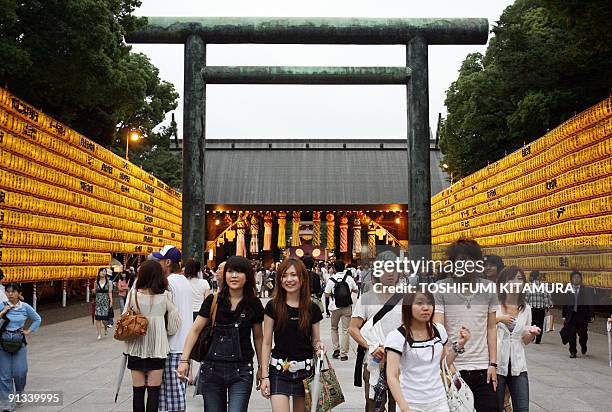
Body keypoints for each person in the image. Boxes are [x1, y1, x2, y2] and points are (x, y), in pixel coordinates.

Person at [177, 255, 264, 411]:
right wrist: (184, 360)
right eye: (230, 271)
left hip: (242, 370)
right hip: (212, 370)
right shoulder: (213, 300)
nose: (234, 276)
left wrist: (262, 369)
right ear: (225, 275)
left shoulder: (253, 303)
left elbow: (258, 338)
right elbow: (195, 330)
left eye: (239, 272)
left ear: (248, 276)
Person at [433, 238, 499, 412]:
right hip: (454, 368)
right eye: (460, 260)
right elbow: (438, 329)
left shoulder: (489, 288)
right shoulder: (440, 288)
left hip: (483, 368)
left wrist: (493, 364)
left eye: (470, 260)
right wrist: (448, 363)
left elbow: (491, 328)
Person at [386, 291, 471, 412]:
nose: (426, 308)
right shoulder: (396, 336)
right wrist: (404, 408)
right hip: (411, 403)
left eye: (429, 303)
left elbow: (444, 364)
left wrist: (460, 345)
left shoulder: (439, 330)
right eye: (419, 303)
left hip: (439, 401)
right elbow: (392, 376)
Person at [260, 258, 324, 412]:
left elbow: (315, 340)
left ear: (302, 278)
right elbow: (267, 342)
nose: (289, 279)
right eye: (284, 275)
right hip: (279, 370)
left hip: (305, 371)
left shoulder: (312, 308)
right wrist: (264, 376)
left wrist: (319, 346)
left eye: (294, 275)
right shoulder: (272, 306)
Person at [349, 251, 403, 412]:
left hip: (399, 362)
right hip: (373, 361)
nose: (390, 274)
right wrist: (371, 346)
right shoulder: (367, 298)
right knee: (373, 404)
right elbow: (353, 328)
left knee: (397, 404)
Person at [124, 261, 181, 412]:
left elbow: (124, 317)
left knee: (138, 392)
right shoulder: (165, 296)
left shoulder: (133, 294)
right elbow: (175, 321)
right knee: (154, 393)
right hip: (157, 348)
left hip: (136, 347)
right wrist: (165, 330)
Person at [153, 245, 193, 412]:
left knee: (171, 397)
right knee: (176, 392)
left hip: (172, 346)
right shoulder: (184, 281)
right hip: (184, 346)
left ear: (168, 262)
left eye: (160, 260)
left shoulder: (168, 283)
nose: (158, 264)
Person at [495, 266, 540, 412]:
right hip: (496, 365)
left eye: (519, 279)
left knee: (522, 408)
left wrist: (532, 333)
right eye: (511, 279)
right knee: (495, 408)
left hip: (518, 366)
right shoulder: (494, 305)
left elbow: (524, 340)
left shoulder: (526, 309)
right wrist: (500, 319)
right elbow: (483, 326)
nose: (515, 282)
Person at [0, 283, 41, 412]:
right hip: (3, 342)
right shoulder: (2, 306)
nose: (10, 294)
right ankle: (7, 404)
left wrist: (29, 331)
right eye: (8, 292)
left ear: (19, 293)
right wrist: (3, 312)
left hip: (19, 343)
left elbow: (37, 319)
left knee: (20, 372)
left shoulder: (25, 307)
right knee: (4, 375)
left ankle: (19, 392)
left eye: (13, 291)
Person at [325, 260, 358, 361]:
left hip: (335, 307)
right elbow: (356, 289)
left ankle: (336, 349)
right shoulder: (348, 278)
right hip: (347, 307)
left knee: (334, 328)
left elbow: (326, 294)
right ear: (344, 268)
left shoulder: (331, 279)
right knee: (345, 330)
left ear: (334, 268)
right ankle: (344, 354)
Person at [562, 270, 594, 358]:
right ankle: (573, 351)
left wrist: (591, 315)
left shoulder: (586, 290)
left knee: (583, 334)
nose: (576, 279)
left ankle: (583, 345)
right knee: (571, 334)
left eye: (578, 277)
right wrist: (564, 315)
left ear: (581, 279)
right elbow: (564, 303)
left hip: (582, 315)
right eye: (574, 277)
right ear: (571, 279)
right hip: (571, 315)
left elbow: (590, 302)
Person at [524, 271, 552, 344]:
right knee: (540, 323)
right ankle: (538, 339)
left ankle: (532, 337)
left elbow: (526, 298)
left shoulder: (528, 286)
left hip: (531, 308)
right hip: (541, 309)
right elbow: (547, 297)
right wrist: (548, 306)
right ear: (538, 277)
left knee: (532, 322)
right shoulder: (544, 286)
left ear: (532, 277)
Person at [92, 267, 113, 340]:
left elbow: (110, 292)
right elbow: (95, 291)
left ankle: (106, 328)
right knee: (98, 318)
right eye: (102, 271)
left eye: (104, 271)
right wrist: (93, 291)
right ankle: (99, 333)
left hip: (105, 301)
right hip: (98, 301)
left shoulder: (109, 282)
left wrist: (111, 301)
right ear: (99, 273)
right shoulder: (95, 282)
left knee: (104, 319)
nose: (103, 273)